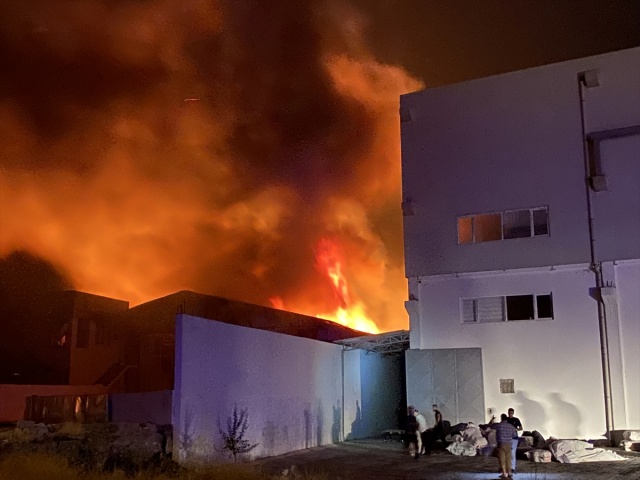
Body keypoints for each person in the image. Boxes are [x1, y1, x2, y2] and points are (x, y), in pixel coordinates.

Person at [489, 414, 518, 479]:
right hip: (509, 444)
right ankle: (509, 472)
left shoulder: (499, 425)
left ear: (501, 418)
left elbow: (490, 426)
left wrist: (492, 420)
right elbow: (514, 435)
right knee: (508, 459)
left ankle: (504, 473)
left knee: (502, 459)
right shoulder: (511, 426)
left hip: (501, 444)